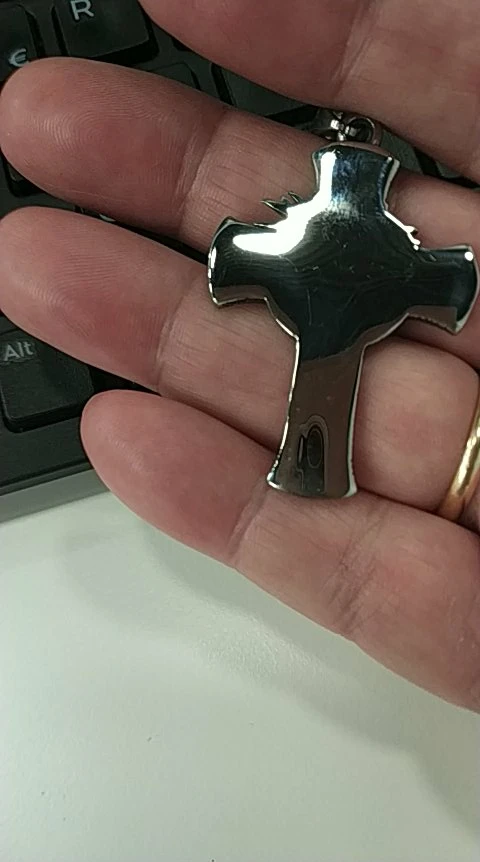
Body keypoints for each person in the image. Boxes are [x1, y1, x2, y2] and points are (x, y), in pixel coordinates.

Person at [0, 0, 479, 713]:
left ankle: (311, 471)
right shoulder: (345, 243)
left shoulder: (358, 246)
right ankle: (316, 472)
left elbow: (432, 279)